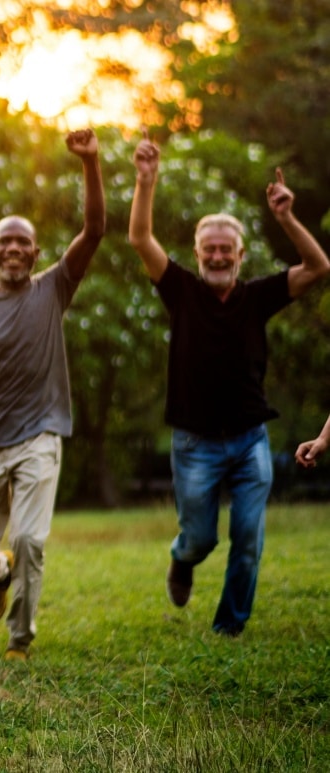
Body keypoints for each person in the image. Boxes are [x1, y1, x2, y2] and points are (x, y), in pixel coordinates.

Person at [130, 139, 329, 636]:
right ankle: (182, 559)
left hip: (248, 438)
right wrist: (146, 179)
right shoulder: (180, 290)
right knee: (199, 539)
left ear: (240, 254)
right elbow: (139, 238)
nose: (218, 256)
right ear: (197, 254)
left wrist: (285, 217)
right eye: (209, 249)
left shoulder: (258, 296)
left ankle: (230, 626)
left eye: (226, 249)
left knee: (247, 537)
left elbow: (319, 267)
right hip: (194, 442)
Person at [0, 129, 104, 662]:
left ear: (35, 252)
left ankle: (20, 639)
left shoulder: (54, 288)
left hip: (40, 434)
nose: (13, 249)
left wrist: (91, 163)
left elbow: (95, 230)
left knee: (31, 538)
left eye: (22, 242)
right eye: (4, 242)